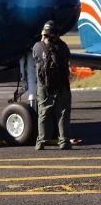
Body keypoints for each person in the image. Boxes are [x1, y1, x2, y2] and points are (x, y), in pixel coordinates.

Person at [32, 20, 72, 150]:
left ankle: (41, 142)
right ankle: (64, 142)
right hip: (62, 85)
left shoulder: (37, 47)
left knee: (44, 113)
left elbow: (35, 59)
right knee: (63, 113)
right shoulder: (63, 46)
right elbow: (67, 59)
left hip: (43, 85)